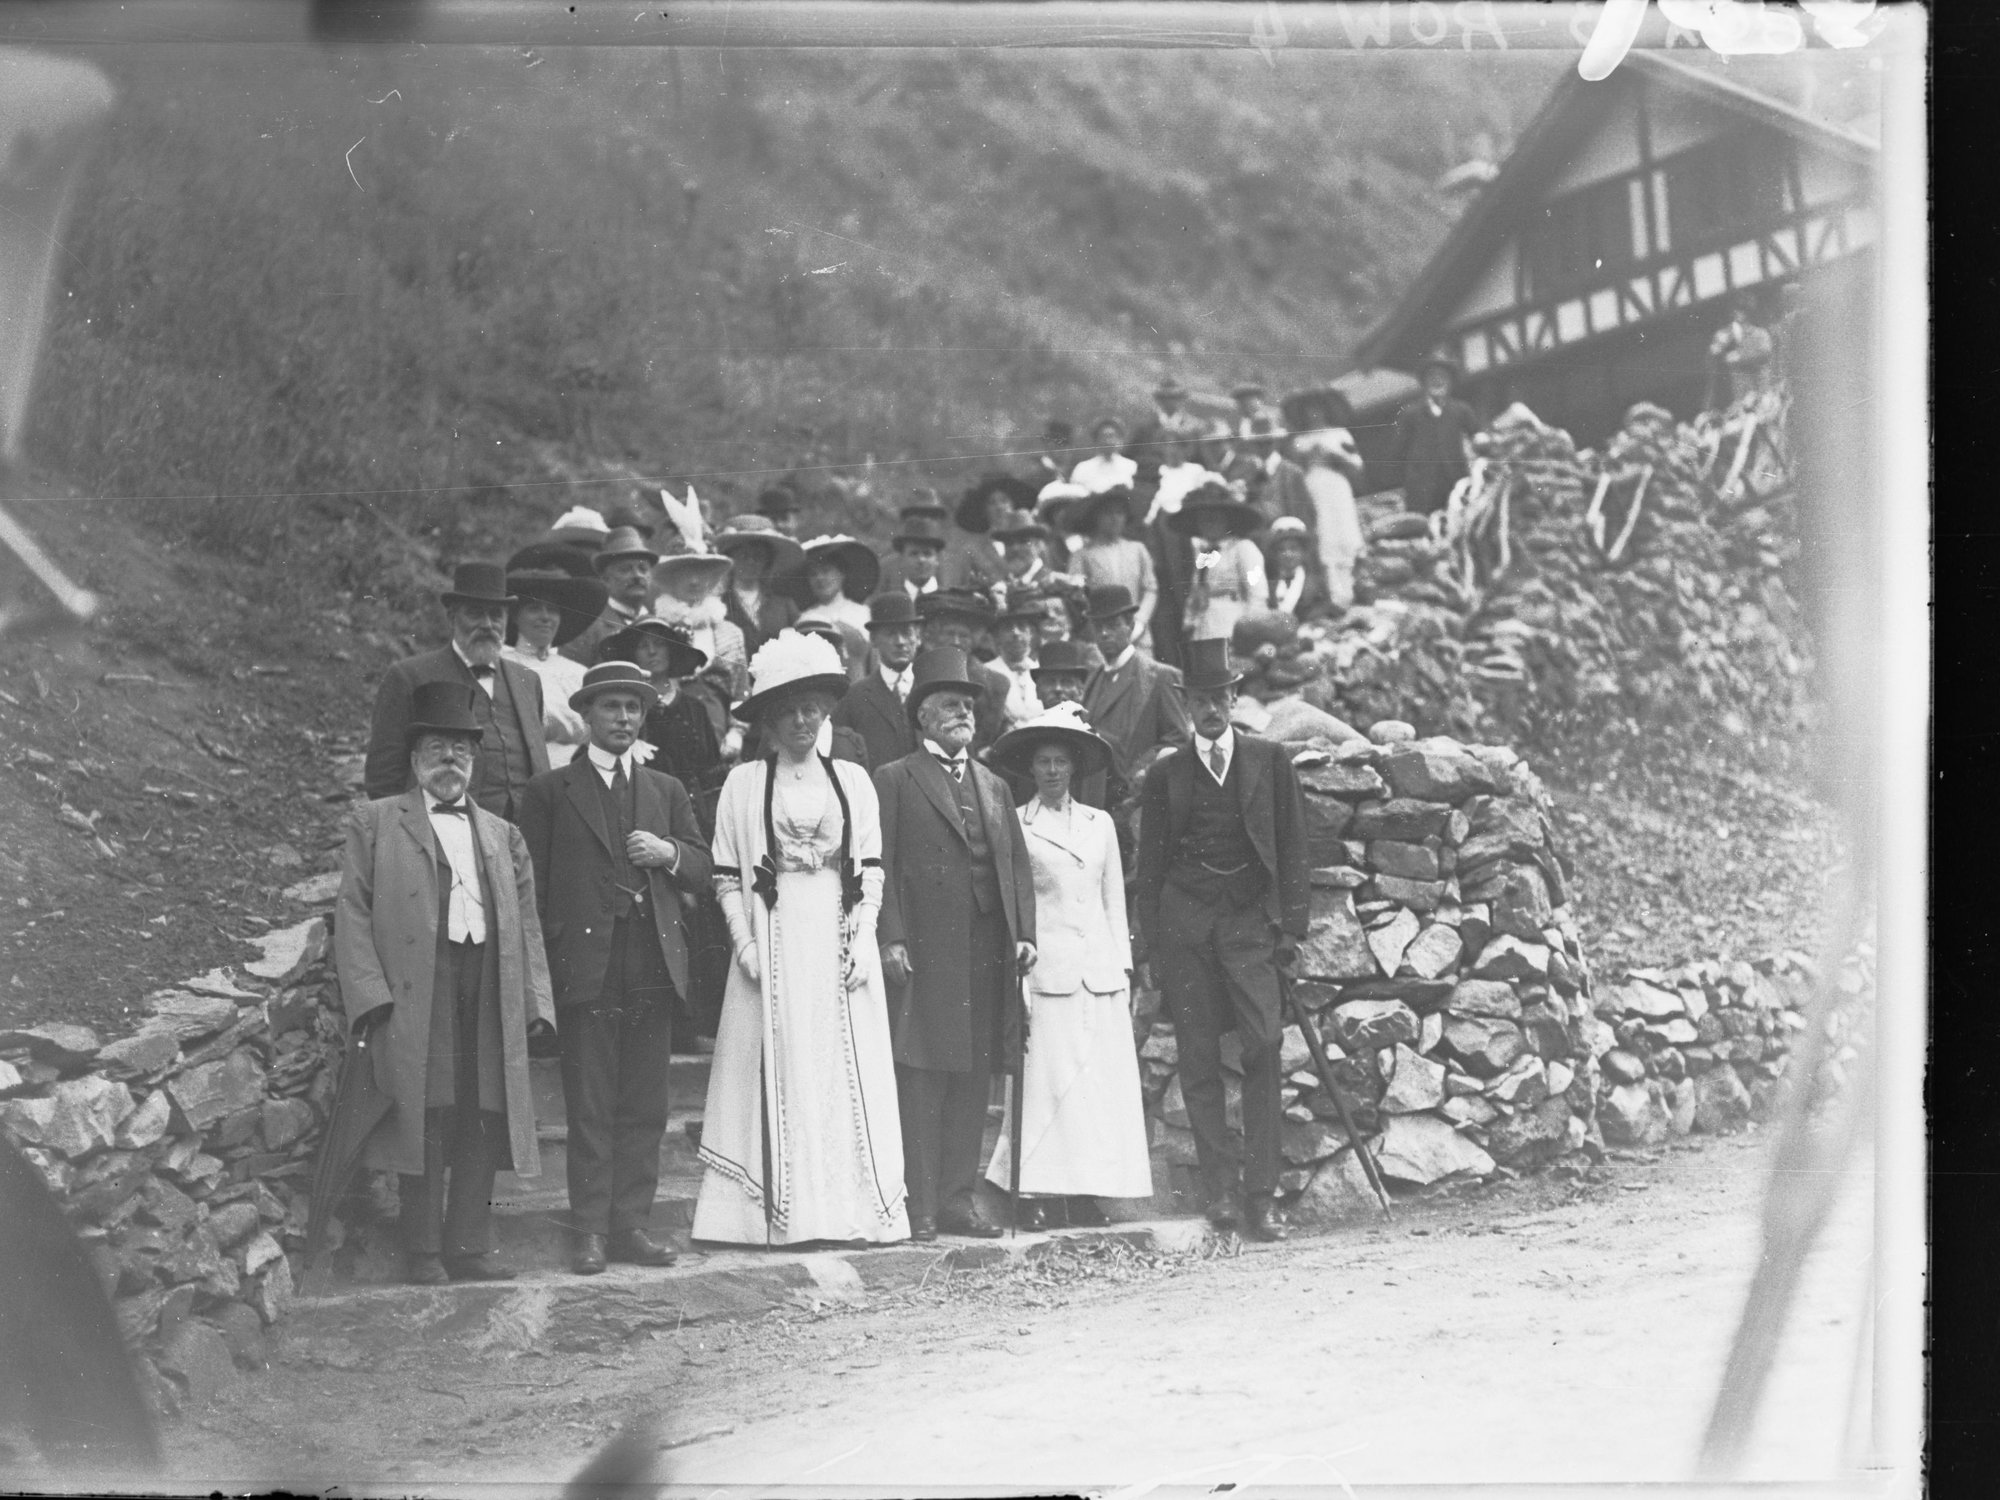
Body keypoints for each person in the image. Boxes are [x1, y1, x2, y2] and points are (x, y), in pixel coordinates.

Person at [690, 632, 910, 1246]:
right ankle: (775, 1215)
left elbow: (870, 869)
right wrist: (745, 943)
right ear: (767, 720)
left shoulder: (854, 782)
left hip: (835, 935)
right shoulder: (743, 786)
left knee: (837, 1064)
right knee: (778, 1062)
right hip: (773, 932)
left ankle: (845, 1212)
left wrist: (864, 935)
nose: (800, 721)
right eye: (786, 711)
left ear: (826, 711)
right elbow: (728, 873)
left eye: (810, 708)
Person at [335, 681, 556, 1284]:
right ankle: (423, 1249)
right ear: (414, 758)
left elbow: (528, 922)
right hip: (415, 986)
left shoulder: (502, 834)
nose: (449, 760)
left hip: (488, 983)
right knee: (425, 1110)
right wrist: (370, 995)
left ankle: (468, 1245)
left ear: (474, 760)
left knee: (482, 1109)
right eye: (436, 747)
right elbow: (352, 913)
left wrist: (535, 1001)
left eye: (461, 749)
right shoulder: (376, 822)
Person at [518, 663, 713, 1275]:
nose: (624, 719)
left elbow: (706, 868)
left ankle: (632, 1225)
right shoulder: (551, 791)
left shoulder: (665, 788)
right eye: (611, 708)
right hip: (588, 963)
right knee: (592, 1102)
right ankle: (590, 1233)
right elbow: (535, 889)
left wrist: (670, 854)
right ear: (586, 715)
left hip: (652, 961)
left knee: (646, 1104)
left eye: (633, 708)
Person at [1133, 640, 1309, 1243]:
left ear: (1235, 698)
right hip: (1186, 931)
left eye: (1220, 697)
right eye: (1200, 699)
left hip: (1248, 928)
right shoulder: (1167, 774)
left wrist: (1291, 928)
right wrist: (1152, 947)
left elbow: (1292, 849)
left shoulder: (1269, 760)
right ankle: (1221, 1194)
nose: (1211, 709)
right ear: (1185, 705)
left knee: (1263, 1043)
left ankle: (1262, 1196)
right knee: (1199, 1061)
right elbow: (1150, 867)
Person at [875, 648, 1037, 1241]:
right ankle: (919, 1206)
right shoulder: (895, 778)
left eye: (969, 704)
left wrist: (1024, 936)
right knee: (922, 1076)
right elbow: (881, 864)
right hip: (923, 949)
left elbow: (1014, 866)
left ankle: (958, 1200)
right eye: (949, 703)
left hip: (986, 950)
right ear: (921, 715)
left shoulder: (994, 784)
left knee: (974, 1076)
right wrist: (889, 935)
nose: (962, 713)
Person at [983, 706, 1153, 1225]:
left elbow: (1112, 903)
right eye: (1043, 762)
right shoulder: (1017, 823)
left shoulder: (1100, 823)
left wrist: (1122, 972)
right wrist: (1020, 970)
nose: (1053, 771)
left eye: (1061, 761)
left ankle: (1084, 1192)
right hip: (1046, 969)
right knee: (1047, 1086)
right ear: (1031, 770)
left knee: (1093, 1087)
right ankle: (1034, 1193)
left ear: (1074, 769)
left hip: (1097, 973)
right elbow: (1014, 903)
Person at [365, 562, 551, 819]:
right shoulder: (410, 676)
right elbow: (382, 778)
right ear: (452, 617)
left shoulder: (528, 681)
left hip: (523, 837)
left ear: (507, 620)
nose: (487, 624)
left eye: (496, 614)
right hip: (445, 835)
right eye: (475, 613)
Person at [1082, 584, 1191, 800]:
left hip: (1136, 796)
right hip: (1095, 795)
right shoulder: (1093, 679)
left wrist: (1140, 771)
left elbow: (1178, 739)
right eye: (1098, 627)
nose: (1104, 634)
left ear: (1130, 626)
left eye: (1113, 625)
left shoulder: (1159, 676)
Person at [502, 546, 609, 750]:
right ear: (515, 616)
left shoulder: (578, 674)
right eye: (534, 608)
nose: (545, 617)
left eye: (552, 610)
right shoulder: (501, 665)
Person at [651, 542, 749, 712]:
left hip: (718, 727)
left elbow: (741, 691)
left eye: (701, 574)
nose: (694, 581)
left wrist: (736, 732)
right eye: (686, 574)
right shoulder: (655, 629)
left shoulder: (730, 633)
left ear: (711, 580)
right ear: (672, 578)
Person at [833, 592, 923, 771]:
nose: (900, 642)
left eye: (907, 633)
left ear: (918, 638)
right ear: (873, 639)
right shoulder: (854, 697)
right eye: (890, 634)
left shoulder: (933, 689)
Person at [1292, 396, 1366, 609]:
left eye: (1317, 409)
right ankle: (1333, 594)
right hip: (1313, 485)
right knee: (1323, 532)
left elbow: (1356, 464)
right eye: (1309, 410)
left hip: (1336, 483)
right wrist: (1308, 457)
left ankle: (1351, 588)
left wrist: (1335, 455)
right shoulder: (1300, 440)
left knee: (1343, 531)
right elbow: (1295, 467)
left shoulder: (1339, 434)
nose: (1314, 414)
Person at [917, 589, 1012, 753]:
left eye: (963, 636)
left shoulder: (995, 683)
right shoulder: (918, 674)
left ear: (974, 640)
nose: (956, 641)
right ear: (935, 636)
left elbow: (991, 734)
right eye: (949, 633)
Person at [1172, 483, 1267, 645]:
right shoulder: (1203, 552)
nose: (1209, 524)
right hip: (1203, 626)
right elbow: (1197, 592)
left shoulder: (1242, 548)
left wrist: (1249, 634)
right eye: (1203, 520)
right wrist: (1189, 622)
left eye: (1215, 519)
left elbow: (1257, 594)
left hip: (1230, 623)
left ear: (1227, 521)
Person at [1026, 640, 1116, 810]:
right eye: (1050, 682)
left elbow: (1119, 797)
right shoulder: (1021, 742)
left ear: (1081, 691)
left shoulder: (1102, 744)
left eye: (1066, 682)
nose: (1058, 689)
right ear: (1037, 691)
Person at [1068, 486, 1157, 650]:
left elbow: (1151, 588)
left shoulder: (1137, 549)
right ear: (1096, 517)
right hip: (1102, 631)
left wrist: (1141, 620)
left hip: (1137, 630)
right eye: (1108, 513)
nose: (1115, 518)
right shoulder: (1083, 555)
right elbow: (1076, 594)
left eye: (1120, 513)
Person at [1391, 355, 1481, 515]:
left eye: (1443, 377)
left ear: (1450, 382)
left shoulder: (1461, 410)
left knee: (1457, 523)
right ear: (1424, 383)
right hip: (1422, 487)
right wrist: (1411, 478)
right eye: (1432, 376)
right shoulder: (1411, 414)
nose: (1437, 381)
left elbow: (1478, 437)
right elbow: (1398, 452)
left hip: (1456, 480)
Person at [561, 526, 659, 667]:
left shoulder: (659, 623)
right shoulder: (586, 627)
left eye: (643, 569)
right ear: (606, 580)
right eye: (625, 569)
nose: (637, 575)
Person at [714, 514, 804, 659]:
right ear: (731, 559)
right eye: (743, 555)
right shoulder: (718, 605)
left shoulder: (785, 606)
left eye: (758, 556)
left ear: (767, 562)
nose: (750, 562)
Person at [944, 474, 1034, 592]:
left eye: (1004, 500)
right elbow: (957, 586)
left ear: (1013, 504)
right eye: (992, 503)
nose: (999, 507)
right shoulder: (973, 550)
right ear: (983, 511)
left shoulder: (1030, 544)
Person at [794, 534, 879, 638]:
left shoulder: (864, 613)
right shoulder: (805, 619)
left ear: (842, 573)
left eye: (826, 571)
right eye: (813, 574)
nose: (819, 578)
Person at [1241, 414, 1315, 533]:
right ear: (1252, 444)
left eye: (1268, 442)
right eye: (1258, 443)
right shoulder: (1246, 472)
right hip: (1259, 536)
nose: (1263, 447)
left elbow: (1306, 514)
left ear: (1277, 442)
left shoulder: (1292, 472)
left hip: (1287, 536)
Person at [990, 592, 1045, 730]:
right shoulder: (987, 672)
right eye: (1008, 628)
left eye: (1021, 627)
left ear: (1031, 634)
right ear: (997, 637)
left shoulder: (1043, 671)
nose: (1016, 633)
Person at [1261, 517, 1331, 622]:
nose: (1288, 554)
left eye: (1293, 549)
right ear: (1275, 554)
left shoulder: (1315, 582)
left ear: (1303, 552)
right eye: (1281, 550)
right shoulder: (1269, 582)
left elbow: (1325, 608)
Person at [877, 512, 948, 601]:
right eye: (914, 553)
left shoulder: (949, 598)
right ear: (902, 559)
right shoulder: (889, 600)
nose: (921, 560)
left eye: (927, 554)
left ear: (937, 559)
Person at [1068, 417, 1139, 495]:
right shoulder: (1083, 468)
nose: (1108, 441)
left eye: (1112, 436)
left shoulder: (1131, 466)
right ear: (1096, 440)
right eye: (1103, 436)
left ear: (1119, 440)